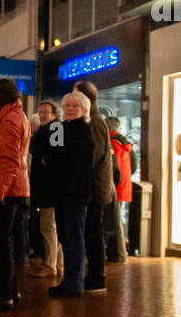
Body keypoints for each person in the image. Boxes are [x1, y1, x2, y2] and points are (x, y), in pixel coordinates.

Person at [0, 79, 31, 310]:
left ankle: (4, 296)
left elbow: (9, 160)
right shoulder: (13, 116)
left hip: (8, 189)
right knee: (3, 240)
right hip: (14, 187)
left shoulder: (9, 120)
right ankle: (11, 290)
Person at [45, 92, 96, 297]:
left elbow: (62, 158)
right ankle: (69, 281)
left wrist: (56, 158)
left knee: (74, 236)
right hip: (62, 190)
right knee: (66, 236)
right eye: (67, 105)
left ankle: (74, 284)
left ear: (84, 109)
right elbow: (52, 155)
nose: (70, 108)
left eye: (75, 105)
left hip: (76, 191)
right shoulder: (60, 127)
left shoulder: (83, 129)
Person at [73, 81, 115, 293]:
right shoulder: (90, 121)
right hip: (92, 187)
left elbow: (94, 155)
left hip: (96, 188)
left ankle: (97, 276)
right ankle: (94, 274)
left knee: (93, 232)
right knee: (91, 231)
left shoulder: (96, 122)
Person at [28, 100, 63, 279]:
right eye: (40, 111)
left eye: (46, 112)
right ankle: (56, 263)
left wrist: (45, 160)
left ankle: (51, 264)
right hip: (48, 187)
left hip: (50, 188)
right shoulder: (50, 128)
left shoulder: (55, 128)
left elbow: (55, 153)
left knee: (49, 227)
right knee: (51, 227)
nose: (42, 115)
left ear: (54, 114)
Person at [107, 116, 133, 262]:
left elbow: (112, 167)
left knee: (114, 221)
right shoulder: (125, 143)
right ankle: (121, 250)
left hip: (115, 186)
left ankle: (118, 253)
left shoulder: (111, 143)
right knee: (118, 219)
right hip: (124, 185)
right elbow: (133, 165)